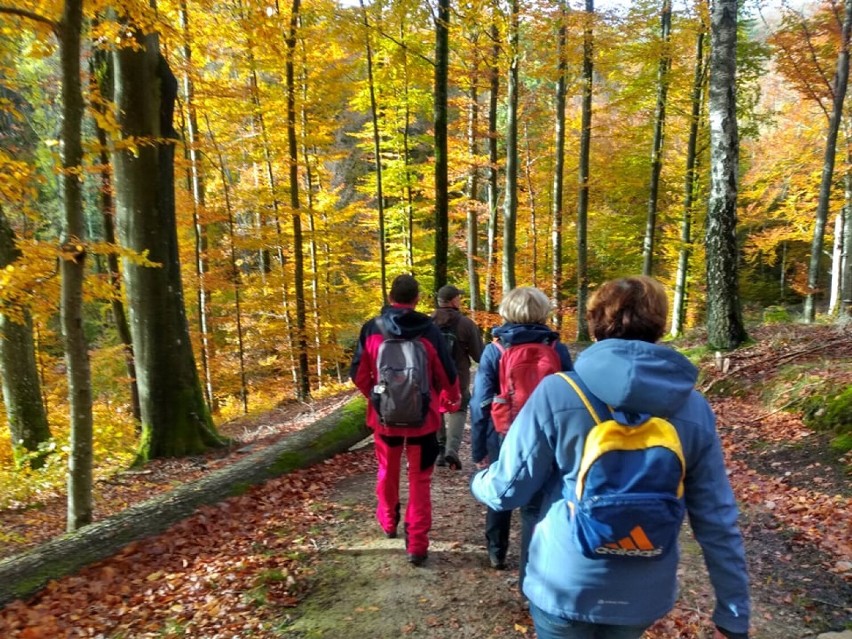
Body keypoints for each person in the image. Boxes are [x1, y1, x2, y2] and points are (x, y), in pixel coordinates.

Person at [470, 276, 750, 639]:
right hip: (643, 594)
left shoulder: (559, 393)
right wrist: (734, 611)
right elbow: (716, 517)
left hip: (565, 585)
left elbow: (507, 490)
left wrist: (478, 479)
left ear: (595, 323)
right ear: (659, 326)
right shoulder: (692, 407)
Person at [350, 274, 460, 566]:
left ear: (390, 298)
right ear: (416, 299)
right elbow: (447, 374)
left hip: (385, 418)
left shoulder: (372, 328)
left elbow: (358, 374)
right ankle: (417, 546)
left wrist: (376, 397)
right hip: (424, 420)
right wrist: (450, 398)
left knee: (387, 469)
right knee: (420, 480)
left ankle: (388, 522)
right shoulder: (429, 330)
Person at [469, 286, 573, 580]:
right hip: (547, 435)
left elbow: (480, 404)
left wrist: (479, 449)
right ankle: (531, 571)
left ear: (507, 312)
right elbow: (571, 394)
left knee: (500, 491)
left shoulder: (495, 349)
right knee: (534, 505)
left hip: (504, 433)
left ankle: (496, 552)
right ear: (543, 312)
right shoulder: (556, 348)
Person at [431, 285, 484, 470]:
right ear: (453, 300)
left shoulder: (428, 323)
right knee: (458, 409)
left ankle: (439, 449)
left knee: (436, 408)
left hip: (433, 376)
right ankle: (451, 450)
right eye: (459, 298)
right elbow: (479, 356)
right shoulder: (466, 324)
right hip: (458, 376)